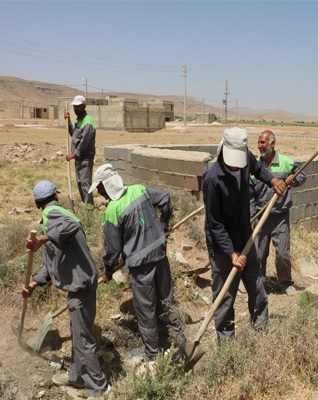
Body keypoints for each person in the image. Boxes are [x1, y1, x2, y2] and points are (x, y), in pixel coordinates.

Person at [20, 180, 108, 397]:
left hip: (81, 287)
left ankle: (99, 388)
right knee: (78, 335)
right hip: (79, 286)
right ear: (56, 196)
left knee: (83, 340)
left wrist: (43, 238)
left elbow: (73, 225)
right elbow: (51, 264)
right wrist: (33, 284)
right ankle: (77, 377)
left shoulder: (54, 215)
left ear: (36, 203)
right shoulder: (49, 223)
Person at [88, 163, 183, 361]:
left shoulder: (112, 211)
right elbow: (165, 199)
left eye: (99, 187)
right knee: (167, 298)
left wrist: (107, 270)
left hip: (141, 266)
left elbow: (112, 250)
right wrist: (163, 226)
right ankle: (180, 340)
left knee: (145, 308)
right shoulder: (139, 189)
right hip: (159, 254)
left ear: (106, 185)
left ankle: (152, 355)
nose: (98, 191)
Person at [203, 127, 286, 342]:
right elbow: (215, 223)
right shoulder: (212, 179)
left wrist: (272, 180)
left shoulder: (245, 156)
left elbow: (258, 168)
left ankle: (260, 333)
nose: (235, 164)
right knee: (225, 297)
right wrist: (231, 253)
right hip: (223, 249)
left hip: (246, 236)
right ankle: (226, 344)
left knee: (257, 288)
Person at [250, 130, 306, 294]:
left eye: (263, 143)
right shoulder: (255, 166)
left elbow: (302, 176)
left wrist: (292, 178)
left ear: (272, 144)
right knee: (259, 254)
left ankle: (285, 283)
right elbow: (250, 192)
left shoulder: (286, 162)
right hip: (260, 216)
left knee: (282, 254)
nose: (259, 146)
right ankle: (258, 283)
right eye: (259, 142)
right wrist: (252, 214)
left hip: (280, 216)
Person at [64, 95, 96, 206]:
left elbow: (84, 143)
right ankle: (85, 205)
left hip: (85, 158)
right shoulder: (79, 120)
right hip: (78, 158)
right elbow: (74, 135)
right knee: (79, 182)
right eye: (74, 107)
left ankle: (89, 208)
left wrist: (73, 155)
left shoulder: (88, 122)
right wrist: (68, 121)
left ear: (84, 106)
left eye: (78, 106)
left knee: (85, 184)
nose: (75, 109)